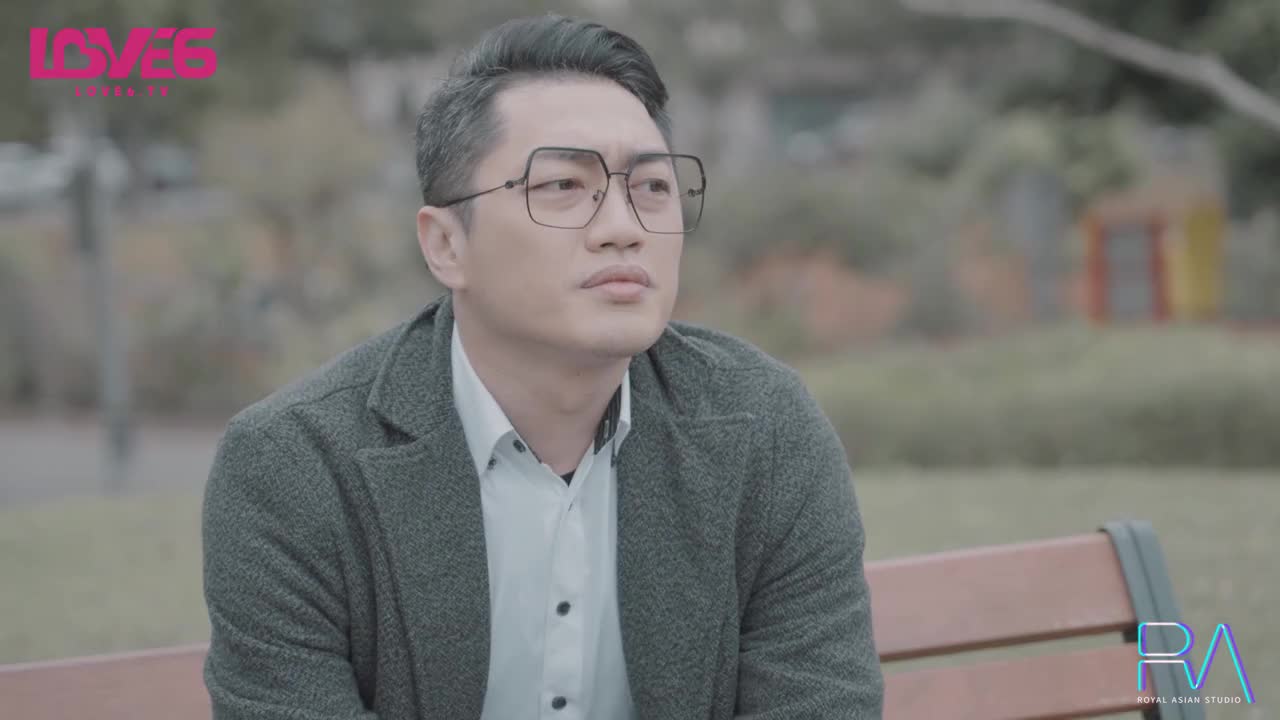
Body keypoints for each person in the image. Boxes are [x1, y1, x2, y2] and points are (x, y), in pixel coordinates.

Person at [202, 13, 884, 720]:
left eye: (652, 187)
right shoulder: (296, 467)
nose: (623, 227)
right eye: (562, 185)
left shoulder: (764, 431)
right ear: (446, 246)